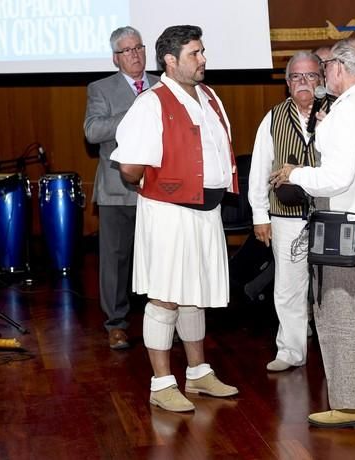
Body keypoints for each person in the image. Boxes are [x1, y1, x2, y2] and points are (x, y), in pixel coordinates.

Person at [271, 37, 355, 428]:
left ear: (340, 69)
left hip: (344, 223)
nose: (325, 75)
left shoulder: (345, 112)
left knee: (340, 312)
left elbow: (335, 178)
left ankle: (349, 405)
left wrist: (295, 173)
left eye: (326, 68)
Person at [110, 25, 239, 413]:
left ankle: (198, 373)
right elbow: (130, 168)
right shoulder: (151, 103)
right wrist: (165, 187)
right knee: (165, 296)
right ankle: (161, 383)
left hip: (205, 211)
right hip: (169, 213)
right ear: (170, 60)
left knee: (194, 294)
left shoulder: (209, 96)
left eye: (202, 52)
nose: (203, 60)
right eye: (195, 54)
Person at [248, 51, 327, 372]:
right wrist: (259, 215)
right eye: (296, 77)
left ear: (322, 80)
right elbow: (258, 169)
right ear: (287, 83)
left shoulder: (337, 113)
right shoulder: (273, 117)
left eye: (310, 76)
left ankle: (334, 352)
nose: (304, 82)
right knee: (288, 287)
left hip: (330, 217)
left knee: (331, 289)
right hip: (285, 216)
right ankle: (291, 351)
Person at [84, 27, 160, 350]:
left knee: (158, 257)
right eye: (127, 50)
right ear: (116, 58)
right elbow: (92, 131)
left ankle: (159, 319)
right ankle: (116, 323)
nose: (135, 55)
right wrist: (133, 111)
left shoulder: (163, 83)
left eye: (139, 48)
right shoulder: (100, 89)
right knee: (116, 260)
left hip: (158, 188)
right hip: (116, 189)